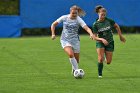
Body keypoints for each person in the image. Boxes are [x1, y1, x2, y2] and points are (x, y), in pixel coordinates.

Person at [51, 5, 94, 74]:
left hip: (75, 41)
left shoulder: (78, 19)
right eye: (73, 13)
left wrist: (91, 33)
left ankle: (74, 70)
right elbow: (53, 24)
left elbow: (86, 28)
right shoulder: (64, 17)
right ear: (70, 12)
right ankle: (77, 71)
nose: (74, 15)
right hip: (65, 40)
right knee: (71, 54)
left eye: (76, 13)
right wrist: (53, 34)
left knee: (76, 61)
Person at [92, 5, 126, 78]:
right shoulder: (95, 24)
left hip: (110, 42)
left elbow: (116, 26)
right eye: (102, 14)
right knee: (100, 59)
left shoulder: (109, 20)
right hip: (100, 42)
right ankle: (100, 75)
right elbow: (94, 37)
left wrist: (120, 36)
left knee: (108, 62)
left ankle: (104, 57)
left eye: (104, 15)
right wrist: (102, 39)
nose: (103, 16)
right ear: (98, 13)